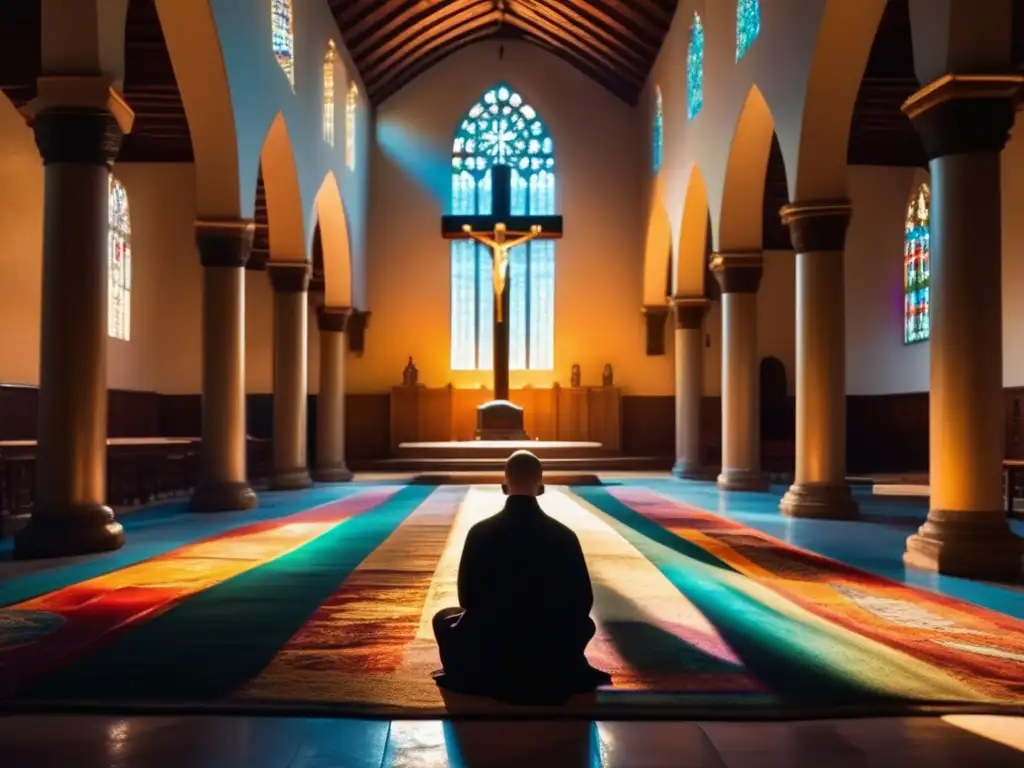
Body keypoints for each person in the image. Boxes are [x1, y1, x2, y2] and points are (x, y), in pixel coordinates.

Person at [432, 450, 612, 705]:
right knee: (581, 624)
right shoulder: (564, 535)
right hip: (549, 644)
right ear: (541, 487)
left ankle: (489, 670)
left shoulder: (480, 533)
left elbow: (468, 599)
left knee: (443, 618)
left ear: (504, 486)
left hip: (494, 642)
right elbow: (583, 602)